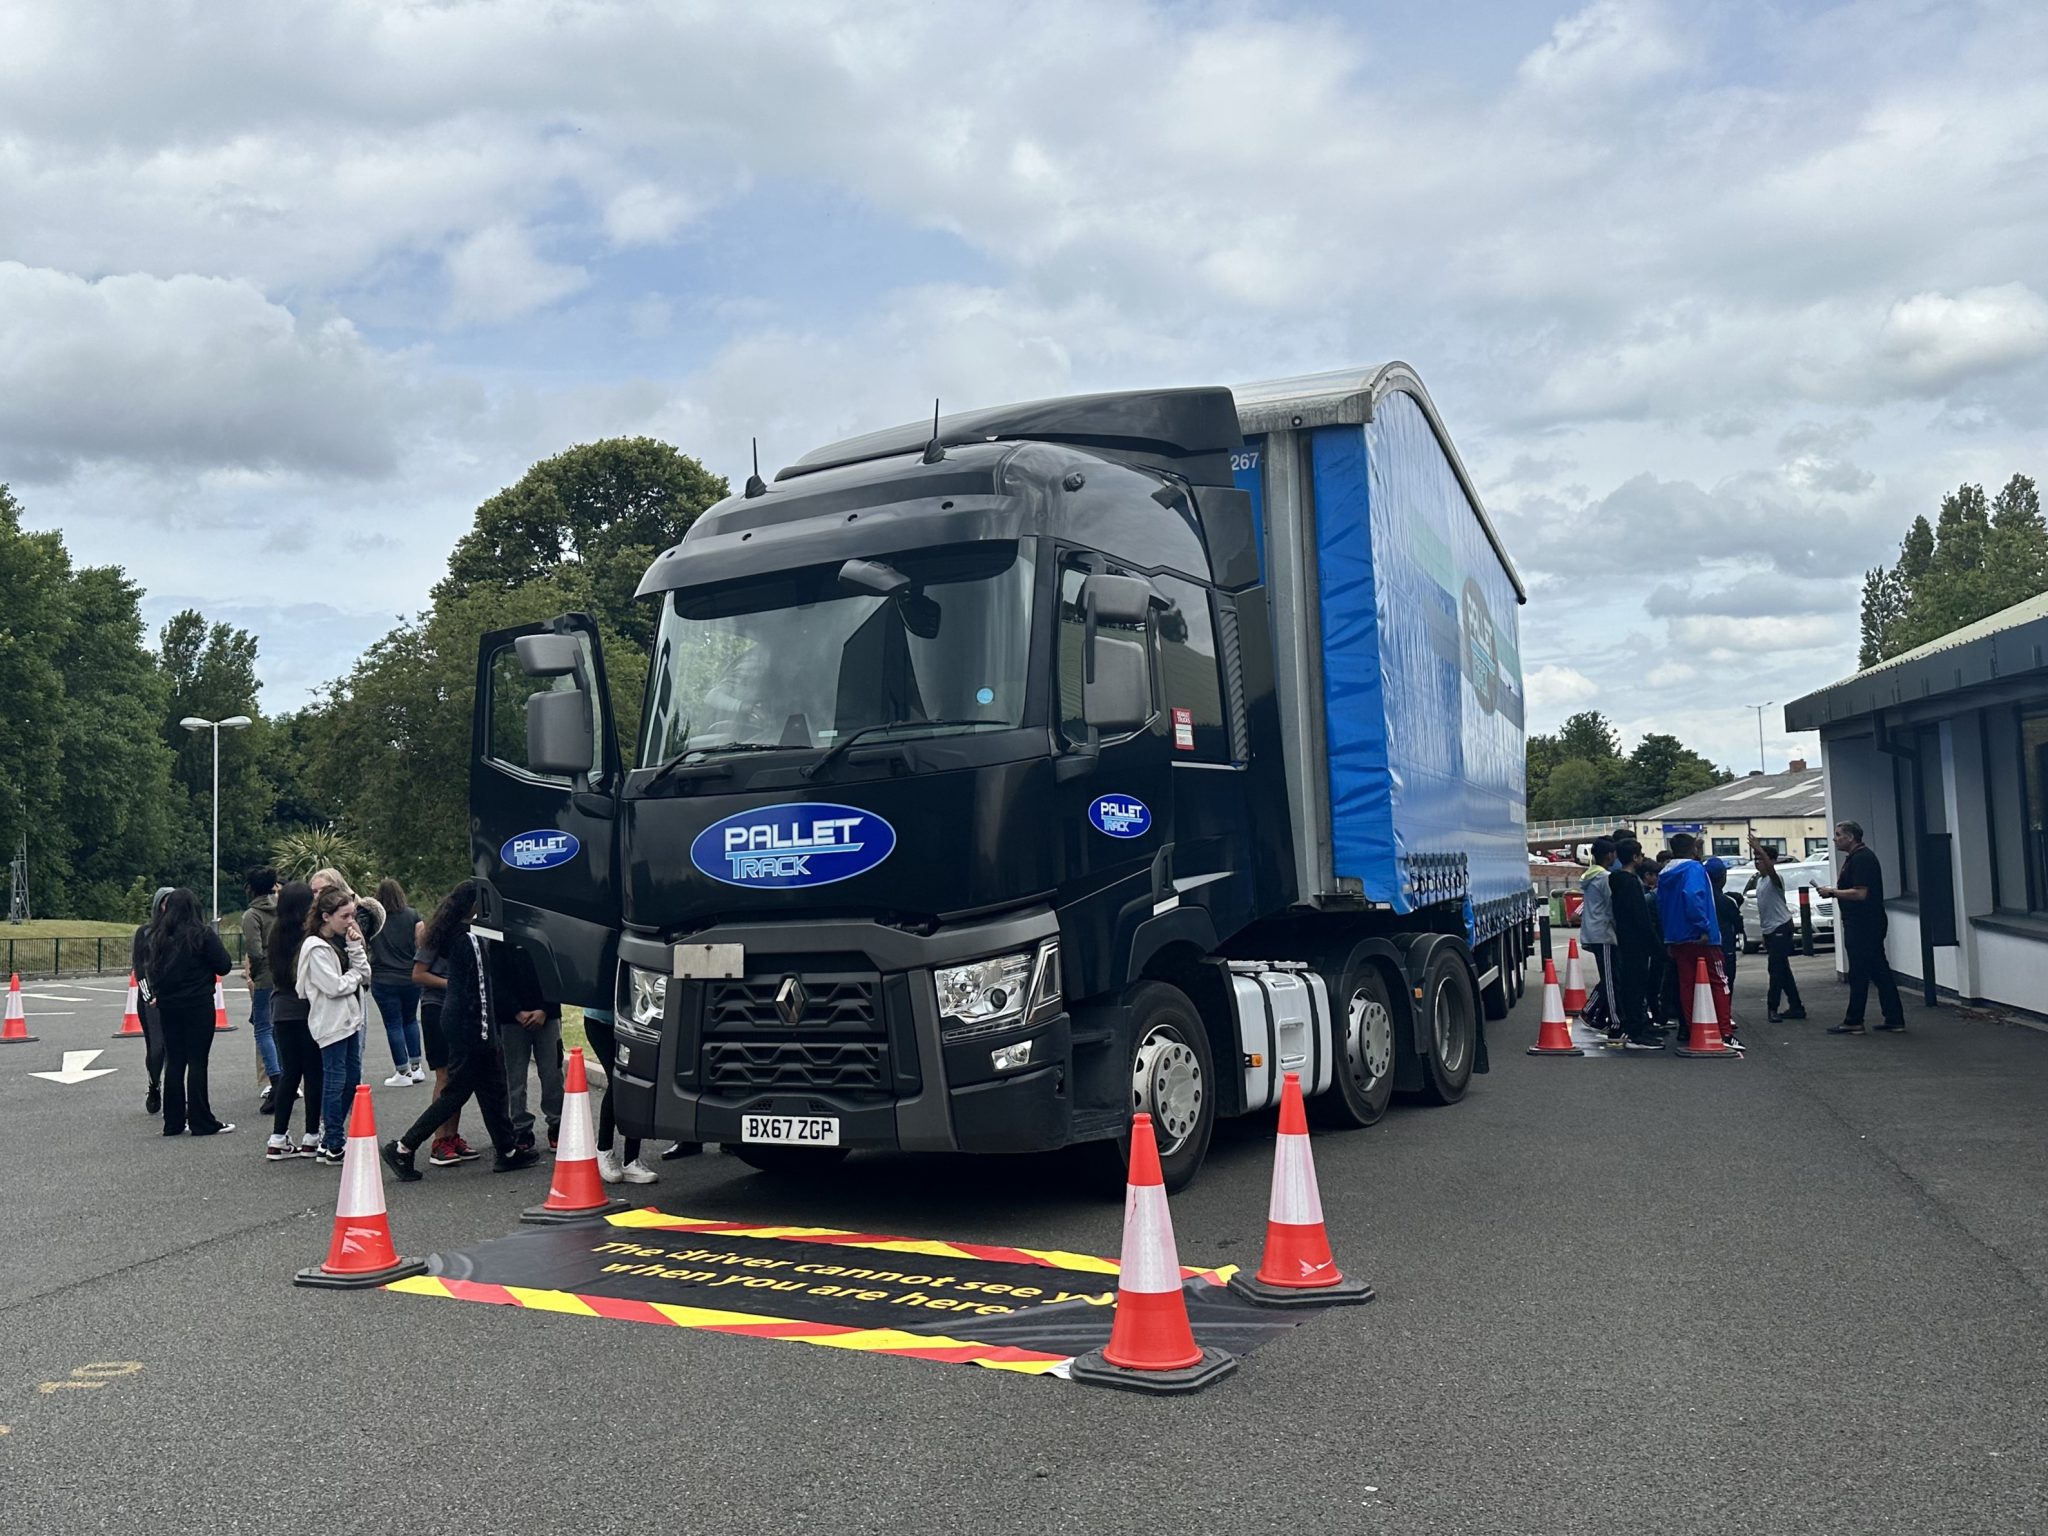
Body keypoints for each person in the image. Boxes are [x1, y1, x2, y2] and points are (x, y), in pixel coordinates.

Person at [381, 880, 541, 1179]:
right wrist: (487, 1033)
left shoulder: (453, 935)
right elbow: (480, 989)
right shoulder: (470, 940)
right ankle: (403, 1147)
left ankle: (507, 1150)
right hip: (470, 1025)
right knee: (456, 1092)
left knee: (493, 1088)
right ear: (475, 906)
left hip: (459, 1020)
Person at [145, 888, 236, 1136]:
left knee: (175, 1061)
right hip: (197, 1002)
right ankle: (201, 1120)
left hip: (168, 1005)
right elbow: (224, 965)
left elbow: (150, 969)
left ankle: (173, 1121)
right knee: (198, 1061)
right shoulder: (202, 934)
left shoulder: (159, 936)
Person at [299, 886, 372, 1164]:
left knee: (352, 1078)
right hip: (330, 1021)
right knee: (335, 1079)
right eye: (345, 916)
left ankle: (331, 1137)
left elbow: (365, 974)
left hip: (349, 1020)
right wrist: (354, 975)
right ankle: (333, 1142)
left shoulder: (343, 941)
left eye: (352, 915)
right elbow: (333, 986)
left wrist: (355, 947)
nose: (350, 921)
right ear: (326, 916)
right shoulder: (315, 947)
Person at [1819, 820, 1905, 1035]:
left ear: (1851, 837)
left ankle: (1854, 1020)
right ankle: (1894, 1018)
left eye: (1838, 834)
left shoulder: (1862, 859)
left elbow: (1860, 893)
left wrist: (1832, 892)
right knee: (1879, 970)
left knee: (1858, 971)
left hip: (1863, 923)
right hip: (1868, 922)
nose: (1835, 838)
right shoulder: (1857, 858)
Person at [411, 902, 476, 1166]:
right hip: (435, 1006)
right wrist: (453, 983)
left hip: (457, 1008)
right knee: (444, 1075)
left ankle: (452, 1135)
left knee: (457, 1075)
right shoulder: (435, 935)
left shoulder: (467, 934)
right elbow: (418, 974)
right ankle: (439, 1139)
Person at [264, 882, 324, 1159]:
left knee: (290, 1072)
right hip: (308, 1008)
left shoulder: (276, 933)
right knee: (314, 1072)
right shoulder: (310, 936)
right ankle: (312, 1134)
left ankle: (278, 1136)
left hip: (281, 1008)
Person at [1658, 833, 1732, 1040]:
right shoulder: (1694, 868)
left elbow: (1661, 905)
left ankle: (1694, 1029)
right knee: (1718, 981)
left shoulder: (1665, 873)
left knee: (1688, 984)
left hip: (1677, 936)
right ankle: (1724, 1030)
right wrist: (1704, 926)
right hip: (1702, 937)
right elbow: (1692, 895)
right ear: (1694, 850)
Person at [497, 943, 564, 1154]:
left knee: (552, 1072)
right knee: (514, 1076)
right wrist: (516, 1011)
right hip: (510, 1019)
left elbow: (557, 973)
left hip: (548, 1015)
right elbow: (495, 979)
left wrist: (545, 1009)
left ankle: (557, 1124)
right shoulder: (499, 939)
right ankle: (520, 1128)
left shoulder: (546, 934)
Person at [584, 1007, 658, 1184]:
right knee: (617, 1082)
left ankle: (631, 1159)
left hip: (634, 1022)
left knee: (635, 1082)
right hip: (601, 1021)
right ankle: (604, 1149)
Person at [1604, 839, 1664, 1049]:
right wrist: (1655, 944)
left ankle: (1636, 1026)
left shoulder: (1617, 880)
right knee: (1636, 987)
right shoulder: (1631, 883)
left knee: (1632, 986)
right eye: (1640, 855)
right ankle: (1636, 1031)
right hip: (1637, 942)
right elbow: (1641, 917)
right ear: (1635, 857)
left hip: (1624, 939)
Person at [369, 877, 426, 1086]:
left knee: (393, 1024)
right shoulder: (413, 915)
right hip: (409, 975)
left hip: (383, 977)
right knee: (410, 1020)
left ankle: (402, 1071)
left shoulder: (374, 919)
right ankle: (417, 1066)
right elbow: (422, 942)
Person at [1750, 843, 1808, 1023]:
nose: (1758, 862)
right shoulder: (1759, 881)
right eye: (1756, 859)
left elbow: (1771, 870)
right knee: (1783, 969)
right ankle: (1796, 1006)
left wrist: (1760, 849)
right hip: (1769, 929)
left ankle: (1772, 1007)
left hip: (1781, 926)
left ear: (1772, 861)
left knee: (1775, 970)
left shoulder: (1776, 879)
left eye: (1762, 859)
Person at [241, 867, 282, 1114]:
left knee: (262, 1029)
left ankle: (275, 1078)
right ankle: (285, 1075)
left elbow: (254, 951)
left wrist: (254, 973)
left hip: (265, 974)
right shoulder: (280, 910)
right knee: (279, 1027)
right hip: (285, 973)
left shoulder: (252, 915)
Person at [130, 886, 174, 1115]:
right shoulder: (144, 933)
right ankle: (154, 1084)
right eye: (166, 902)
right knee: (156, 1048)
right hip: (152, 998)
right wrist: (149, 996)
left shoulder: (181, 932)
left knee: (176, 1048)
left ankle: (176, 1093)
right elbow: (140, 968)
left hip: (175, 997)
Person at [1577, 837, 1618, 1036]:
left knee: (1608, 976)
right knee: (1609, 979)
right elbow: (1611, 905)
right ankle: (1597, 1013)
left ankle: (1594, 1013)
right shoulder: (1604, 878)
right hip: (1603, 932)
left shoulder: (1589, 876)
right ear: (1610, 855)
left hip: (1592, 931)